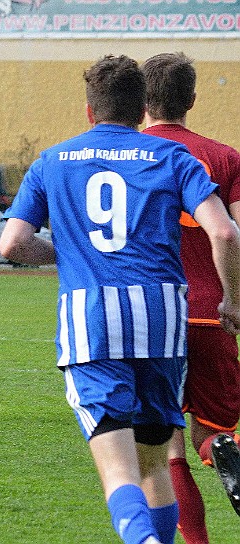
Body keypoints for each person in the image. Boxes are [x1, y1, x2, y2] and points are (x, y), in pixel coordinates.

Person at [0, 55, 240, 544]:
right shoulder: (176, 159)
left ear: (90, 112)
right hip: (163, 320)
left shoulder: (52, 160)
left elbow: (12, 244)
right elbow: (226, 234)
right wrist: (233, 300)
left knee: (120, 470)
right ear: (140, 109)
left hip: (94, 321)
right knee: (156, 463)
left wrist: (66, 252)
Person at [142, 52, 240, 542]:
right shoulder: (225, 158)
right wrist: (235, 301)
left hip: (153, 317)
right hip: (213, 313)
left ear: (143, 101)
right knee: (215, 436)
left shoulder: (129, 155)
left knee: (167, 449)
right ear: (193, 100)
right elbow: (234, 234)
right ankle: (222, 450)